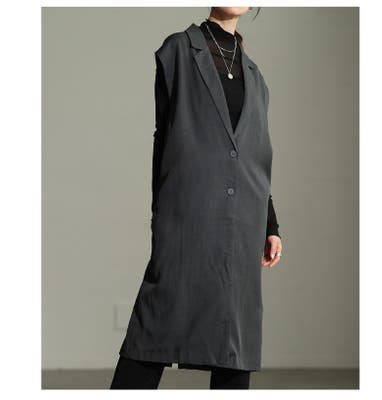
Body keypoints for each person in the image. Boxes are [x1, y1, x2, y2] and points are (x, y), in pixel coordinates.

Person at [110, 7, 283, 390]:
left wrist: (270, 224)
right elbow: (163, 135)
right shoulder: (177, 51)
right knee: (154, 326)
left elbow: (256, 154)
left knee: (235, 339)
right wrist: (161, 214)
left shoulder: (256, 77)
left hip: (244, 221)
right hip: (189, 213)